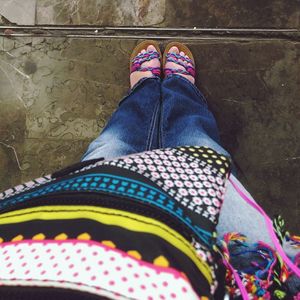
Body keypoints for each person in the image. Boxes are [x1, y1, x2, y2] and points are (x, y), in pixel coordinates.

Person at [0, 40, 298, 300]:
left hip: (66, 259)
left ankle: (145, 90)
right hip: (236, 274)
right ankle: (179, 90)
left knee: (111, 150)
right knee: (199, 148)